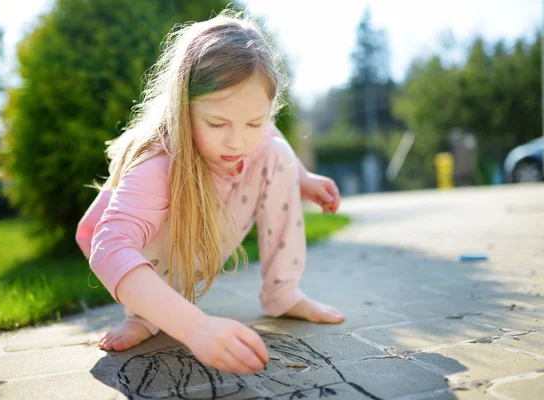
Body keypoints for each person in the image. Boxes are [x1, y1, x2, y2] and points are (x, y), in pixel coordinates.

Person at [75, 9, 344, 375]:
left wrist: (303, 177)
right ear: (182, 110)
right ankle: (145, 314)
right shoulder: (157, 164)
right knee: (149, 270)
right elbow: (111, 247)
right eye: (217, 123)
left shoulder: (254, 139)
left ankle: (283, 292)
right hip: (152, 255)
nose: (237, 141)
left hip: (203, 233)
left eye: (253, 121)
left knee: (277, 154)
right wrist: (195, 327)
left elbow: (272, 135)